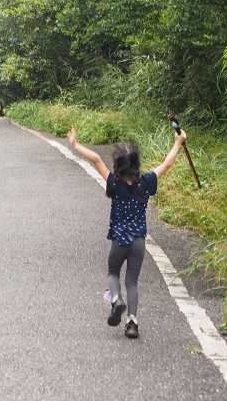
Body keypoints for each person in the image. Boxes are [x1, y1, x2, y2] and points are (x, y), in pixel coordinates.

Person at [67, 125, 187, 338]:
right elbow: (167, 164)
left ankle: (116, 300)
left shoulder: (114, 183)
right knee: (132, 281)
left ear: (118, 167)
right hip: (139, 242)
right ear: (137, 165)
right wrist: (178, 142)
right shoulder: (146, 182)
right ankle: (132, 323)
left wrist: (75, 144)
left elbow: (96, 159)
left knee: (113, 272)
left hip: (119, 241)